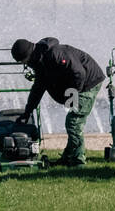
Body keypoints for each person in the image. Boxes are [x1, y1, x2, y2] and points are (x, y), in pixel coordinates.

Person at [12, 37, 106, 167]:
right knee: (72, 122)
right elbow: (38, 89)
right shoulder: (39, 63)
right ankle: (68, 158)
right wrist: (27, 112)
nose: (25, 65)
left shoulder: (55, 54)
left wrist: (72, 97)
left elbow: (79, 73)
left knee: (74, 122)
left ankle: (78, 161)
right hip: (78, 85)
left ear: (29, 55)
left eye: (24, 61)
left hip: (89, 82)